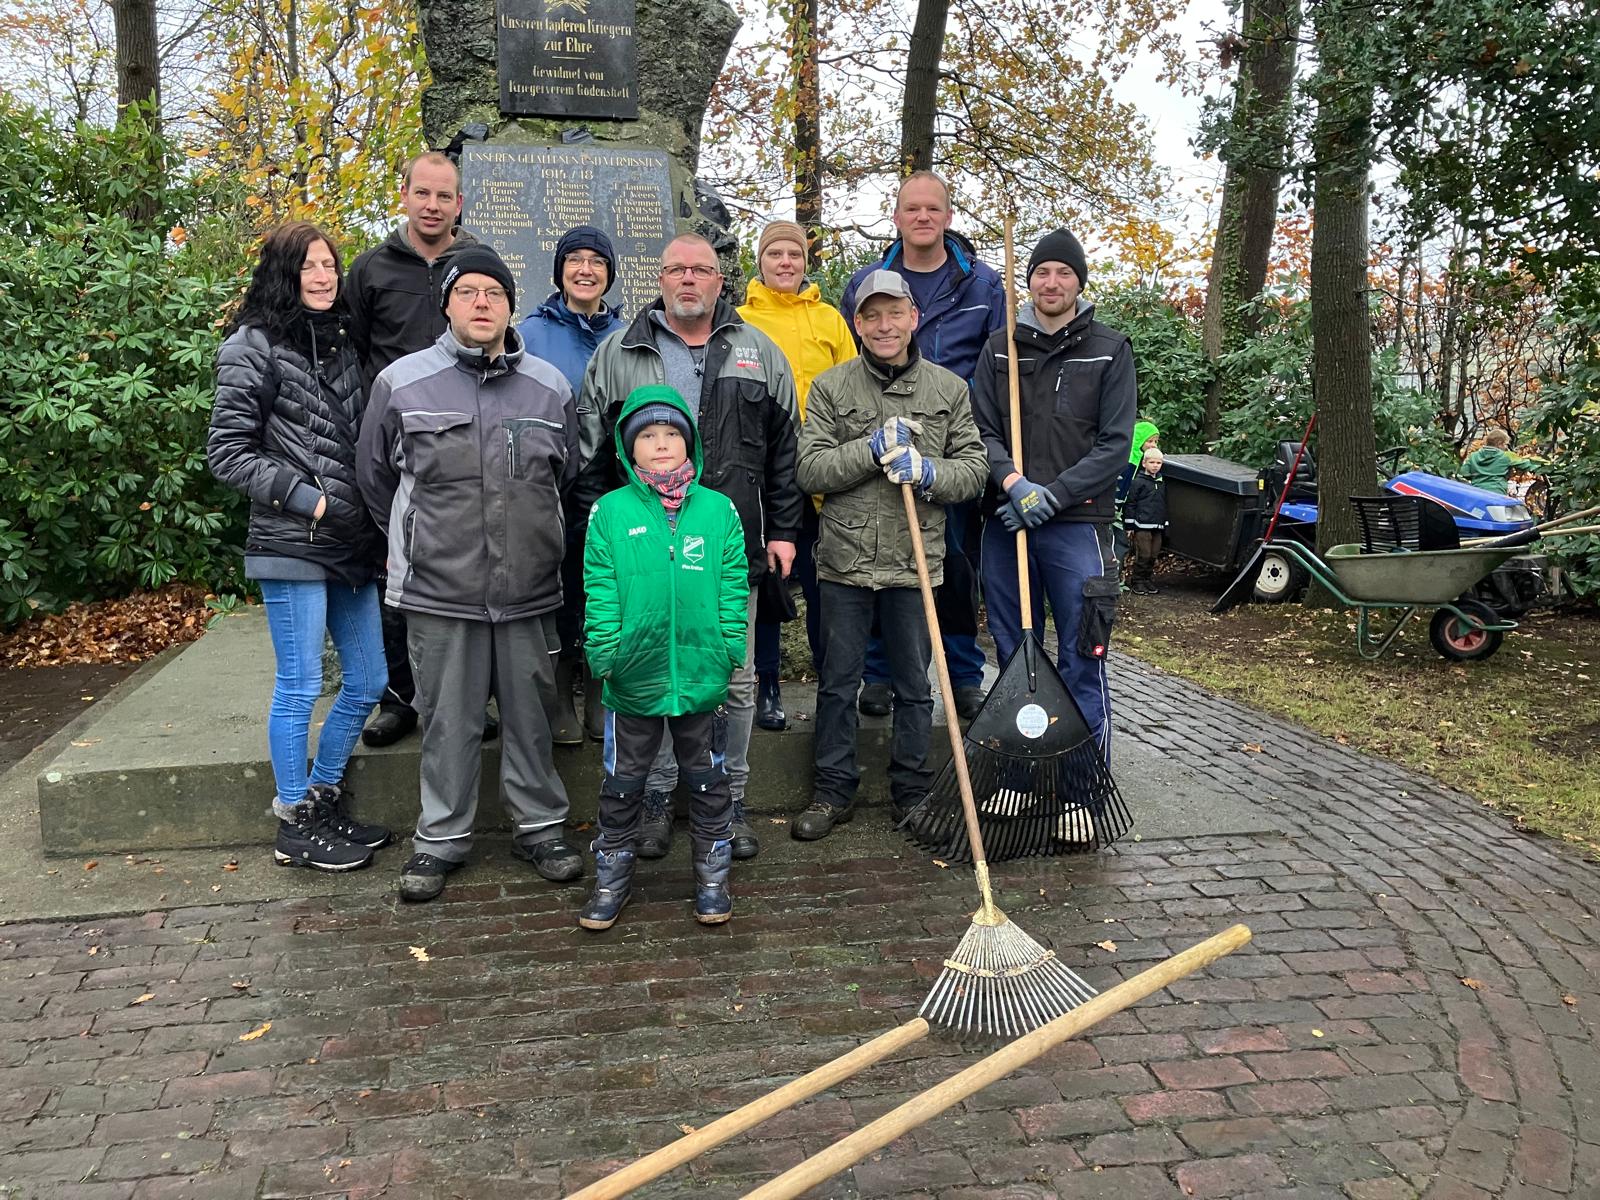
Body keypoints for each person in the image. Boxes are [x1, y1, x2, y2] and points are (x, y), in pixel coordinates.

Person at [357, 246, 583, 902]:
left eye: (495, 292)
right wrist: (422, 543)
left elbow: (564, 477)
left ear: (512, 306)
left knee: (531, 717)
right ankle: (441, 839)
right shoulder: (400, 383)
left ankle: (540, 827)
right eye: (468, 292)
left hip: (528, 590)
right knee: (448, 721)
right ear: (448, 304)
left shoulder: (549, 385)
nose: (482, 303)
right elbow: (376, 479)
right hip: (439, 591)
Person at [575, 233, 803, 864]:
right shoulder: (619, 351)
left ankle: (728, 802)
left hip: (728, 545)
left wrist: (782, 531)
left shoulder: (759, 351)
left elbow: (787, 451)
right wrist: (603, 528)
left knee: (733, 680)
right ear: (661, 277)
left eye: (701, 270)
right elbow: (591, 453)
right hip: (643, 553)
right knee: (646, 668)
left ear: (719, 280)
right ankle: (655, 799)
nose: (688, 280)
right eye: (676, 269)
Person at [207, 221, 391, 871]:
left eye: (330, 266)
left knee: (370, 679)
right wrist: (306, 497)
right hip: (294, 539)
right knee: (300, 683)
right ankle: (293, 819)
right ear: (284, 273)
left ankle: (322, 795)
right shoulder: (250, 346)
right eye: (309, 266)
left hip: (351, 541)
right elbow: (227, 452)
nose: (322, 276)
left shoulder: (344, 343)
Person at [791, 269, 988, 841]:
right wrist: (869, 450)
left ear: (913, 318)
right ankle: (832, 791)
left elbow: (974, 472)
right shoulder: (832, 388)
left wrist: (928, 473)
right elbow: (810, 469)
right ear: (857, 323)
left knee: (913, 684)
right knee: (837, 680)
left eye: (894, 313)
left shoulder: (948, 390)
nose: (884, 325)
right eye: (871, 315)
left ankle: (914, 792)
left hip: (915, 561)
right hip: (845, 560)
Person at [580, 386, 748, 929]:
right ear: (629, 448)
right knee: (624, 780)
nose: (660, 445)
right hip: (634, 674)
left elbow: (733, 584)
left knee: (706, 778)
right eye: (647, 436)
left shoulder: (718, 511)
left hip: (702, 673)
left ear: (689, 443)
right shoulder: (611, 511)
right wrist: (607, 653)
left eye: (671, 434)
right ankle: (611, 877)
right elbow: (599, 586)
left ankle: (712, 877)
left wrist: (729, 646)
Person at [840, 172, 1005, 721]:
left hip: (950, 444)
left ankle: (961, 674)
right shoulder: (869, 281)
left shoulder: (981, 286)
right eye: (912, 209)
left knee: (953, 569)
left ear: (948, 216)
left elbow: (999, 369)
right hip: (877, 441)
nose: (923, 218)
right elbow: (852, 359)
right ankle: (881, 674)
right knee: (883, 561)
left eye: (933, 208)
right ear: (897, 217)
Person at [971, 228, 1135, 755]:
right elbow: (981, 431)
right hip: (1007, 526)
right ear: (1029, 281)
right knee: (1016, 658)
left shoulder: (1110, 351)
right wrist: (1015, 485)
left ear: (1079, 282)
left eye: (1064, 272)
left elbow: (1114, 446)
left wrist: (1053, 496)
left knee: (1081, 658)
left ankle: (1081, 793)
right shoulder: (1000, 350)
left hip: (1078, 529)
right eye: (1042, 271)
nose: (1052, 281)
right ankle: (1021, 777)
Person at [344, 151, 483, 750]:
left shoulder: (479, 263)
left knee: (472, 571)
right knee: (394, 576)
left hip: (468, 439)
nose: (432, 206)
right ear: (403, 195)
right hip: (398, 440)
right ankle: (401, 698)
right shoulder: (371, 269)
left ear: (459, 203)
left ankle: (470, 697)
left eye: (443, 196)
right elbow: (349, 353)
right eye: (421, 193)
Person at [737, 219, 856, 731]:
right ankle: (767, 685)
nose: (786, 263)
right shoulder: (740, 321)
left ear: (806, 263)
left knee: (826, 587)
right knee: (766, 584)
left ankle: (835, 685)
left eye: (795, 255)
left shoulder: (830, 319)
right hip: (765, 477)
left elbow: (855, 389)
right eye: (775, 254)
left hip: (826, 475)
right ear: (759, 262)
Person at [516, 225, 627, 746]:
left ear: (609, 274)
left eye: (597, 262)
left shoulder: (626, 335)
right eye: (575, 260)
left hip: (610, 477)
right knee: (558, 587)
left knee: (606, 584)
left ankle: (601, 691)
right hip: (551, 477)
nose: (586, 270)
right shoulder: (530, 333)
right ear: (559, 270)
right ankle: (559, 695)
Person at [1123, 449, 1168, 594]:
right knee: (1144, 554)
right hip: (1142, 525)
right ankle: (1137, 581)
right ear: (1144, 463)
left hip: (1157, 525)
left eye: (1158, 463)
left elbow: (1163, 503)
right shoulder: (1138, 482)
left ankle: (1147, 580)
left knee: (1154, 555)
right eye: (1152, 462)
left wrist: (1165, 523)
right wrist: (1130, 525)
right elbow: (1130, 503)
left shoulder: (1161, 482)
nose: (1155, 465)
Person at [1460, 428, 1543, 495]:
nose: (1506, 447)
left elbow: (1464, 473)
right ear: (1499, 443)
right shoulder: (1506, 456)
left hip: (1477, 492)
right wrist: (1544, 468)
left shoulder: (1473, 456)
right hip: (1497, 492)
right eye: (1505, 444)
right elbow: (1526, 465)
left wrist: (1478, 476)